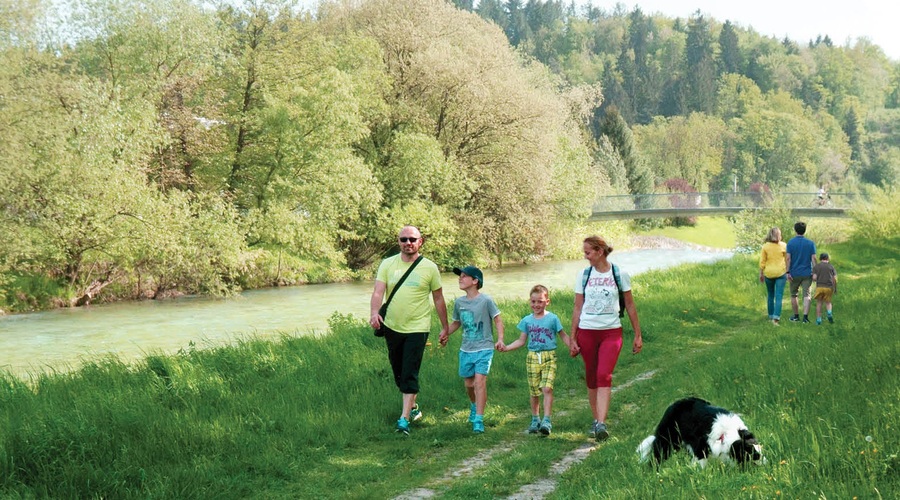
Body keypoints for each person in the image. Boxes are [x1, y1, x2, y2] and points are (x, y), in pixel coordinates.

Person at [370, 225, 449, 436]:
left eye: (412, 239)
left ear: (420, 242)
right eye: (404, 239)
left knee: (410, 371)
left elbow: (438, 298)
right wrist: (374, 313)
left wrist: (445, 327)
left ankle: (403, 419)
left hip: (418, 327)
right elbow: (378, 292)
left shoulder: (430, 268)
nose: (408, 243)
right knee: (398, 371)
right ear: (398, 242)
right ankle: (412, 406)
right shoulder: (387, 264)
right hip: (392, 326)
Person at [570, 236, 643, 442]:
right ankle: (596, 420)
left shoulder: (619, 274)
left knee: (604, 375)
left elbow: (629, 305)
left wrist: (638, 334)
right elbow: (577, 307)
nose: (586, 256)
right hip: (587, 332)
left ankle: (601, 423)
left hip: (611, 332)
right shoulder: (583, 275)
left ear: (600, 251)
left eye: (588, 252)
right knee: (592, 377)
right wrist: (573, 337)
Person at [499, 285, 573, 436]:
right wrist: (506, 348)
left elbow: (563, 335)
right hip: (532, 357)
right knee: (534, 391)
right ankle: (535, 419)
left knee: (547, 388)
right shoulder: (527, 320)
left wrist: (573, 346)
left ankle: (547, 420)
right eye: (533, 301)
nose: (536, 305)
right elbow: (521, 341)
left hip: (549, 356)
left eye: (540, 301)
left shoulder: (553, 318)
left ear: (547, 301)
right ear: (529, 302)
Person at [438, 265, 504, 433]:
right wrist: (446, 333)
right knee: (469, 384)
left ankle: (479, 419)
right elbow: (457, 323)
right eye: (460, 276)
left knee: (479, 382)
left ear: (475, 281)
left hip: (485, 348)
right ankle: (474, 405)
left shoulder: (486, 301)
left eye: (464, 276)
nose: (460, 278)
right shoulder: (459, 302)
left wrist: (500, 339)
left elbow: (497, 319)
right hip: (466, 349)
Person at [785, 222, 817, 323]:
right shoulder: (810, 243)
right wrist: (815, 272)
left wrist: (787, 272)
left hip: (794, 273)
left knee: (794, 295)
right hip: (807, 273)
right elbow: (814, 258)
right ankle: (805, 318)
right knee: (807, 295)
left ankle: (796, 316)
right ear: (805, 230)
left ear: (795, 230)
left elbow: (788, 258)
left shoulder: (790, 243)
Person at [759, 227, 788, 325]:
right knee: (779, 296)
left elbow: (762, 262)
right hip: (781, 273)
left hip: (769, 273)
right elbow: (787, 260)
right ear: (779, 235)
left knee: (770, 295)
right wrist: (788, 272)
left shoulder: (765, 246)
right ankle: (776, 319)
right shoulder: (784, 245)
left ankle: (770, 316)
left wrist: (761, 273)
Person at [812, 253, 837, 325]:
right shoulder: (831, 267)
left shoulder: (817, 267)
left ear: (820, 259)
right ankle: (829, 313)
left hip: (819, 287)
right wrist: (835, 288)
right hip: (829, 287)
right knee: (828, 302)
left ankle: (818, 320)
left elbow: (814, 278)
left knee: (819, 303)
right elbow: (834, 279)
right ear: (828, 259)